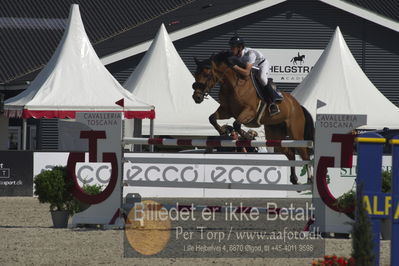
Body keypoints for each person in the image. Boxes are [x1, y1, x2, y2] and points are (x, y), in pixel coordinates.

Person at [227, 35, 283, 116]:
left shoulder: (250, 54)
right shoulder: (234, 54)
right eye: (231, 46)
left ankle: (273, 101)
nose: (231, 49)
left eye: (233, 47)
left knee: (262, 78)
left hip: (262, 65)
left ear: (239, 48)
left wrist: (234, 67)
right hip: (251, 66)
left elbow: (246, 72)